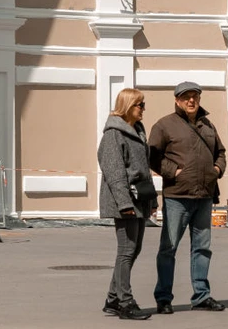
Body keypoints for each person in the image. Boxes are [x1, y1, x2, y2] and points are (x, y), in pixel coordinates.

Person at [149, 81, 227, 314]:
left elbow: (221, 153)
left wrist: (216, 170)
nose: (191, 101)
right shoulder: (164, 125)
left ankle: (201, 296)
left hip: (204, 195)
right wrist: (173, 171)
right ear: (177, 100)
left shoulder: (207, 125)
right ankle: (163, 298)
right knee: (168, 248)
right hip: (177, 197)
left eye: (195, 96)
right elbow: (152, 156)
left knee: (202, 248)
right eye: (186, 97)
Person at [98, 88, 157, 320]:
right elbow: (114, 173)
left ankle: (113, 299)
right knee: (126, 250)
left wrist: (152, 200)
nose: (143, 109)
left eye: (143, 104)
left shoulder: (137, 131)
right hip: (125, 202)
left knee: (134, 249)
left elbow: (145, 171)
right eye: (139, 105)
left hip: (139, 200)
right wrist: (124, 204)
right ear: (127, 106)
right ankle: (125, 302)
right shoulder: (114, 134)